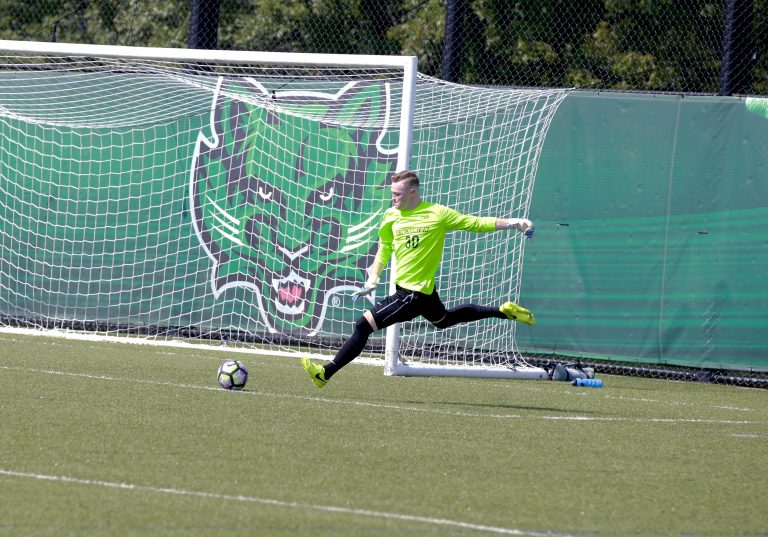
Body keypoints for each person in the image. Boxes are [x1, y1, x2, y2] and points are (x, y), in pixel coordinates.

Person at [301, 169, 535, 388]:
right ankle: (504, 312)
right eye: (392, 193)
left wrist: (514, 223)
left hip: (412, 294)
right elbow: (384, 248)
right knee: (444, 320)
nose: (393, 198)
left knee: (363, 325)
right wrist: (373, 279)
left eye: (397, 194)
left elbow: (475, 223)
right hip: (422, 294)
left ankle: (325, 374)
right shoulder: (391, 216)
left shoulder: (437, 213)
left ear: (412, 192)